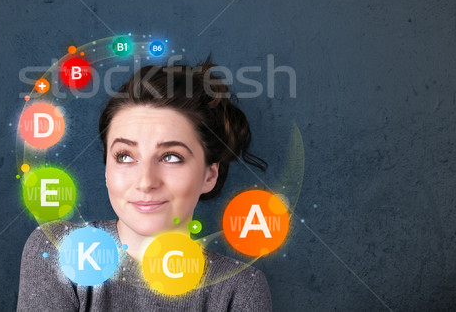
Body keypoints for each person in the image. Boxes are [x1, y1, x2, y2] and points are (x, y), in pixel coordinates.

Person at [17, 55, 273, 311]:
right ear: (107, 168)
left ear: (209, 175)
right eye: (125, 156)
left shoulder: (240, 288)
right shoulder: (57, 251)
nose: (145, 181)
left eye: (171, 157)